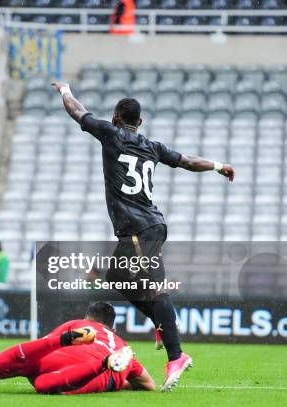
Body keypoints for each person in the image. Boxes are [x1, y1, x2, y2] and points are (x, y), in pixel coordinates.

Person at [51, 82, 235, 391]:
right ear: (141, 121)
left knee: (154, 289)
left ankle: (176, 355)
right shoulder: (153, 146)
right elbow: (188, 161)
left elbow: (76, 111)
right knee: (114, 276)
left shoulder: (110, 134)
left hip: (141, 228)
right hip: (143, 228)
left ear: (115, 118)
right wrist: (218, 166)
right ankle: (163, 326)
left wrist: (65, 90)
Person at [0, 302, 155, 394]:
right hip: (91, 372)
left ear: (88, 317)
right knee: (44, 384)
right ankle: (104, 364)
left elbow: (40, 346)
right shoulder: (122, 346)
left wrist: (66, 339)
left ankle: (65, 341)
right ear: (113, 328)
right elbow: (149, 384)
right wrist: (123, 384)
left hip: (57, 357)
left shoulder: (78, 324)